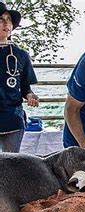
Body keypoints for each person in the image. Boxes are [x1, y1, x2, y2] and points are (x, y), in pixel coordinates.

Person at [0, 3, 39, 153]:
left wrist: (30, 95)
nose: (6, 23)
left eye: (8, 19)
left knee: (11, 164)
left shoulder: (20, 55)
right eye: (1, 19)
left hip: (12, 119)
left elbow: (25, 86)